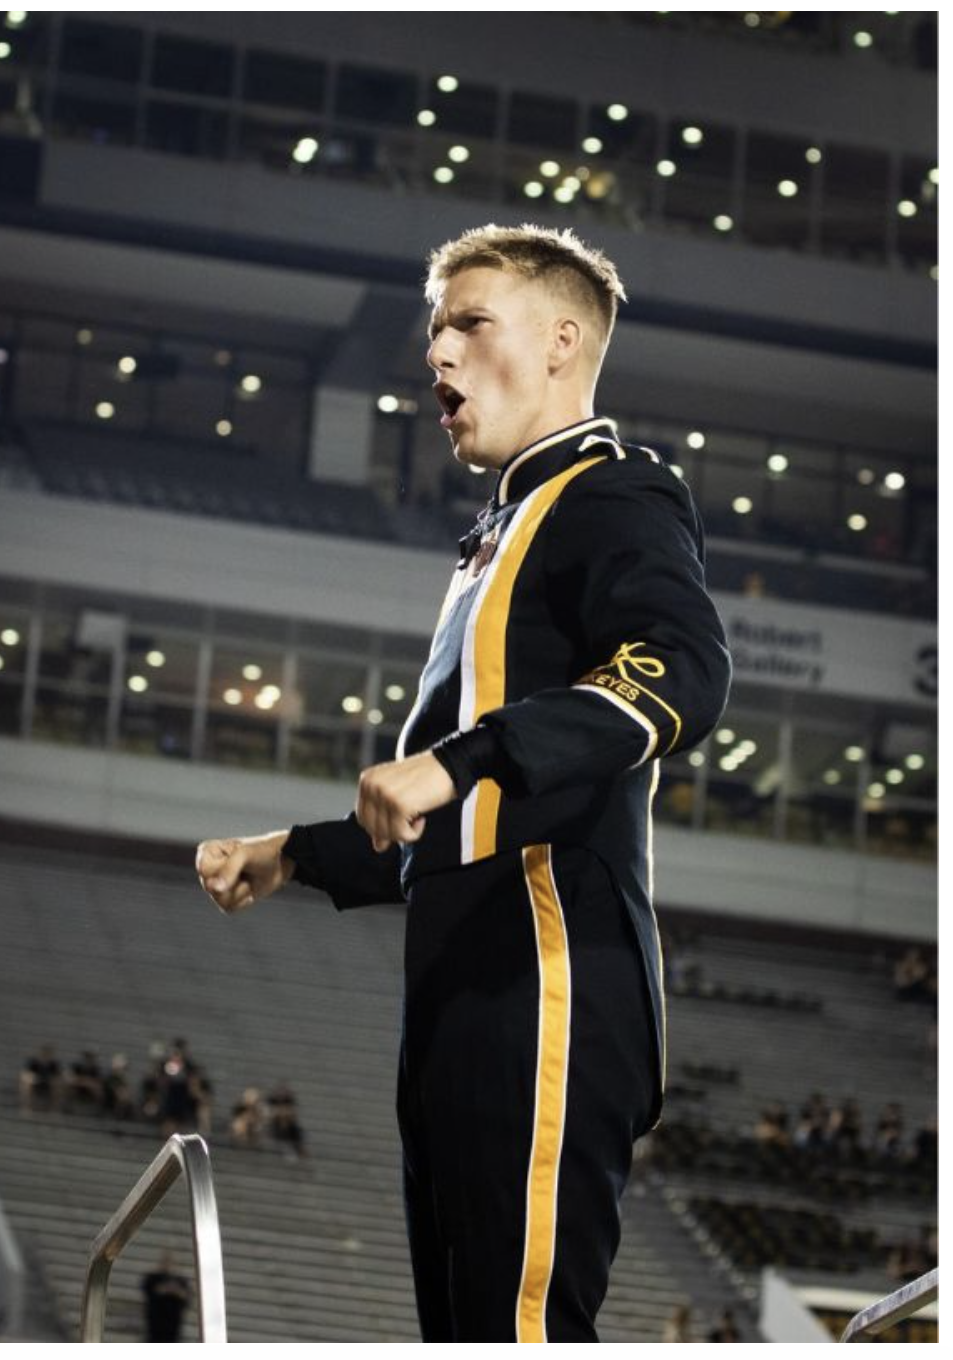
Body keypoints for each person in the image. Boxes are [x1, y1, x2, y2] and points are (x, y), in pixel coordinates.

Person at [195, 224, 731, 1342]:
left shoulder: (613, 489)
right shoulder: (499, 529)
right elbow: (446, 817)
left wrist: (462, 758)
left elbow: (680, 668)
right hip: (464, 979)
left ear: (562, 341)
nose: (436, 351)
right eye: (434, 328)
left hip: (547, 970)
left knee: (517, 1329)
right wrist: (294, 850)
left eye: (469, 322)